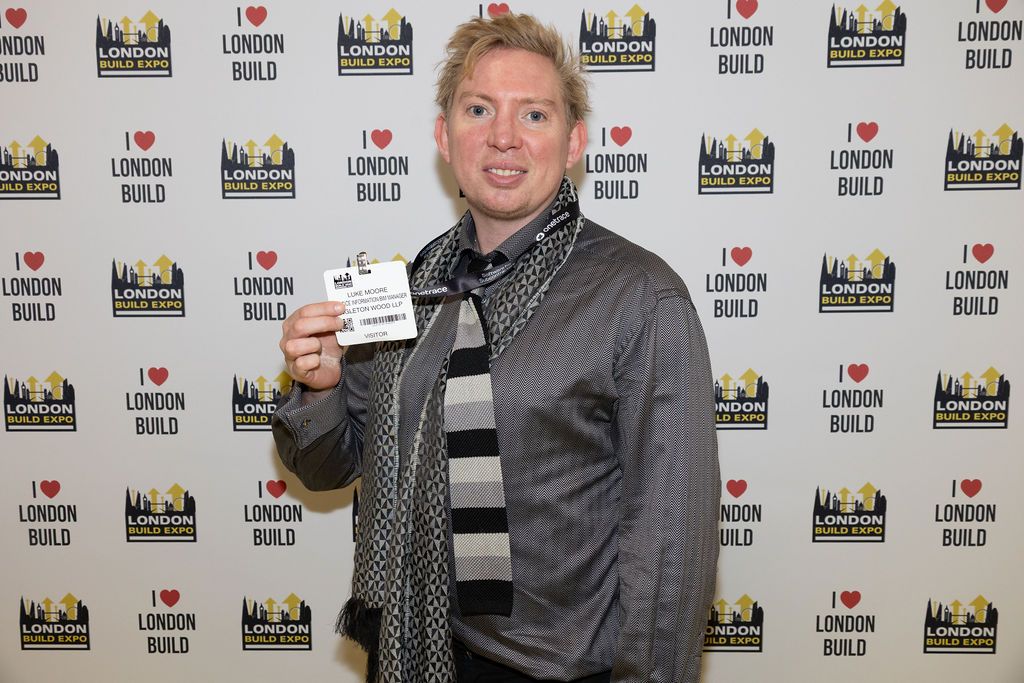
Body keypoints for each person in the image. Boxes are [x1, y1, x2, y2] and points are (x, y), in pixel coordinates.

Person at [274, 13, 719, 683]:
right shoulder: (413, 287)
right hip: (412, 651)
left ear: (574, 142)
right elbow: (330, 466)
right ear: (444, 136)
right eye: (478, 109)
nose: (503, 136)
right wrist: (321, 388)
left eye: (534, 115)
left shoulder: (640, 297)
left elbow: (671, 542)